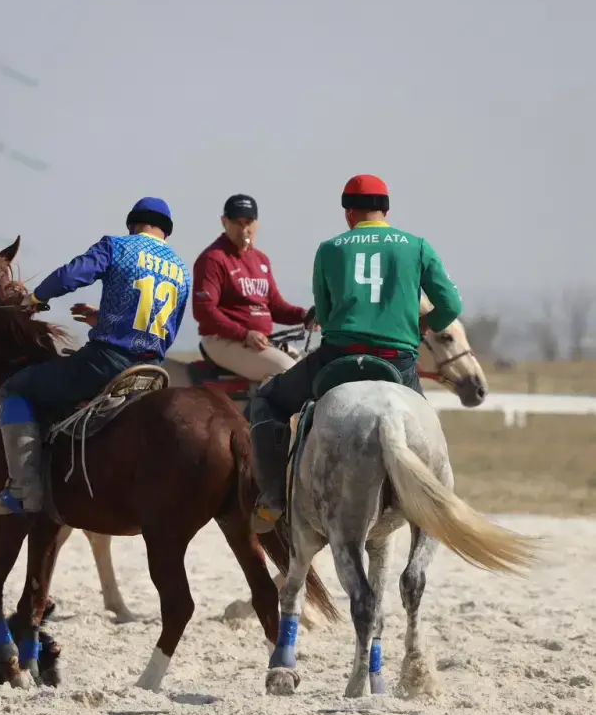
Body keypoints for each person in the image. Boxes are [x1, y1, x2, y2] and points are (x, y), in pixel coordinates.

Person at [250, 174, 463, 533]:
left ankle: (272, 497)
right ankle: (437, 504)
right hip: (399, 362)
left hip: (340, 359)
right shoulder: (417, 246)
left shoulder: (331, 248)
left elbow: (327, 314)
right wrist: (422, 325)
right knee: (428, 432)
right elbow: (451, 304)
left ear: (349, 214)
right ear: (387, 210)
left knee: (266, 400)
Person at [0, 197, 191, 517]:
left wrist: (37, 297)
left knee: (14, 388)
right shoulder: (182, 271)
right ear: (166, 232)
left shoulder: (118, 247)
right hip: (151, 373)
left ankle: (23, 489)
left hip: (105, 363)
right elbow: (166, 327)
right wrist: (107, 317)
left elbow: (70, 276)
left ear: (134, 225)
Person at [192, 193, 314, 381]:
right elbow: (204, 310)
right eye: (237, 223)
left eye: (248, 222)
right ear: (224, 222)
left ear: (256, 223)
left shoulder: (260, 260)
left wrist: (305, 316)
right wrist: (244, 334)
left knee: (309, 365)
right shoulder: (213, 259)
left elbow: (275, 306)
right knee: (288, 371)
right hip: (223, 340)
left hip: (258, 341)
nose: (244, 229)